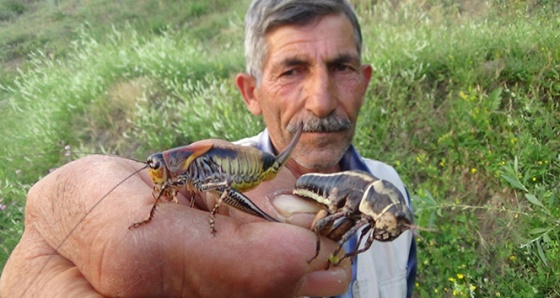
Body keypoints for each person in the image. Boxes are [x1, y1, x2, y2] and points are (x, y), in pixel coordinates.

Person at [0, 0, 416, 297]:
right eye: (292, 71)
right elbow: (193, 190)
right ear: (250, 93)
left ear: (364, 79)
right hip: (240, 180)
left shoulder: (390, 191)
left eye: (341, 67)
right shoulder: (196, 208)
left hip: (246, 171)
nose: (321, 101)